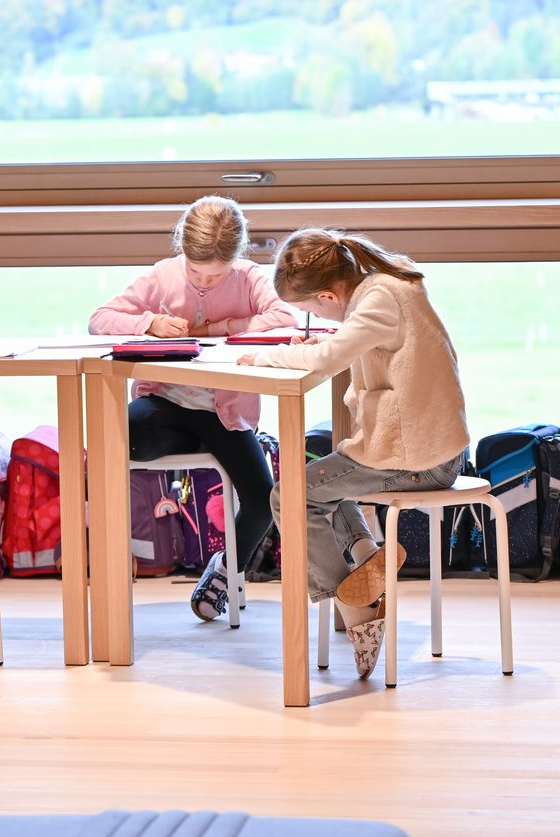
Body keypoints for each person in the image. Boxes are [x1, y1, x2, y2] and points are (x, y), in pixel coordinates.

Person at [236, 228, 470, 679]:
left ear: (326, 294)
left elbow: (327, 361)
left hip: (416, 459)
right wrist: (320, 345)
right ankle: (366, 560)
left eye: (310, 311)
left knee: (292, 495)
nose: (313, 318)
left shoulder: (379, 301)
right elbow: (344, 346)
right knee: (322, 483)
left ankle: (351, 602)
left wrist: (265, 359)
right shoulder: (387, 284)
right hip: (426, 449)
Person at [89, 195, 294, 620]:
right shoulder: (163, 276)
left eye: (215, 275)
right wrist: (149, 324)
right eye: (196, 271)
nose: (203, 281)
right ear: (182, 247)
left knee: (264, 498)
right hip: (167, 402)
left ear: (235, 258)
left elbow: (284, 317)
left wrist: (218, 328)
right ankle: (108, 579)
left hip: (225, 414)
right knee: (120, 441)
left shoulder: (249, 277)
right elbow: (100, 318)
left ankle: (225, 569)